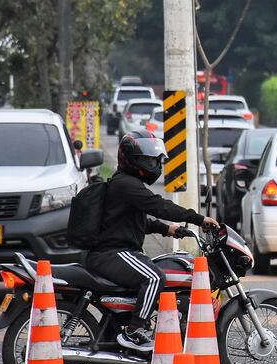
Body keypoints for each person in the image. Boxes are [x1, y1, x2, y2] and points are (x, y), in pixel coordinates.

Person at [86, 131, 218, 352]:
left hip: (116, 252)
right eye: (148, 160)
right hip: (112, 254)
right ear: (132, 159)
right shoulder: (127, 185)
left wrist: (167, 229)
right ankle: (133, 331)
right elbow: (160, 206)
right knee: (155, 277)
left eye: (155, 160)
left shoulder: (127, 184)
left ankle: (104, 363)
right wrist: (198, 219)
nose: (154, 165)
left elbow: (136, 222)